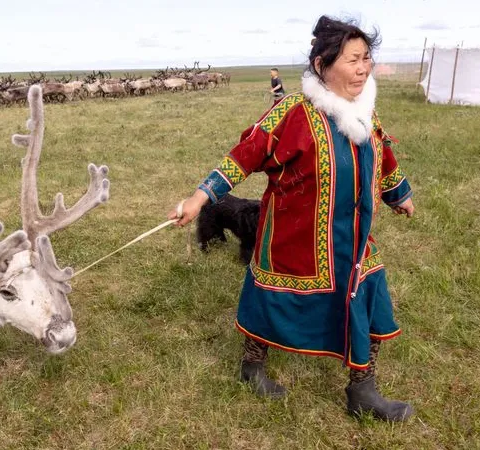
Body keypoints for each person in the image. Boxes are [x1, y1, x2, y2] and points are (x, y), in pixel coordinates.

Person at [168, 15, 416, 422]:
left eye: (366, 58)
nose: (363, 68)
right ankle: (252, 366)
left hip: (353, 241)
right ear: (322, 65)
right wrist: (199, 198)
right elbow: (242, 156)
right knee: (270, 305)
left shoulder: (364, 114)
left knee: (371, 301)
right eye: (353, 60)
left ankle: (362, 390)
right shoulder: (292, 114)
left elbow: (382, 157)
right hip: (291, 240)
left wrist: (398, 195)